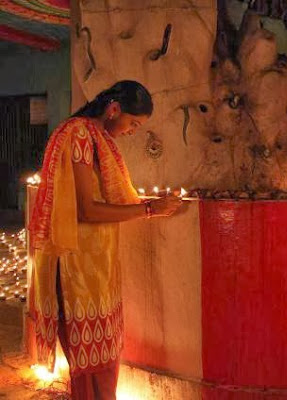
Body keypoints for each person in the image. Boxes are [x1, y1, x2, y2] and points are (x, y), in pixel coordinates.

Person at [28, 80, 183, 399]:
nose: (132, 131)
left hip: (95, 268)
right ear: (114, 109)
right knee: (89, 370)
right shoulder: (80, 134)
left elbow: (104, 195)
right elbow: (86, 209)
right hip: (76, 271)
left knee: (101, 362)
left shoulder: (97, 138)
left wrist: (147, 203)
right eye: (133, 123)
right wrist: (150, 209)